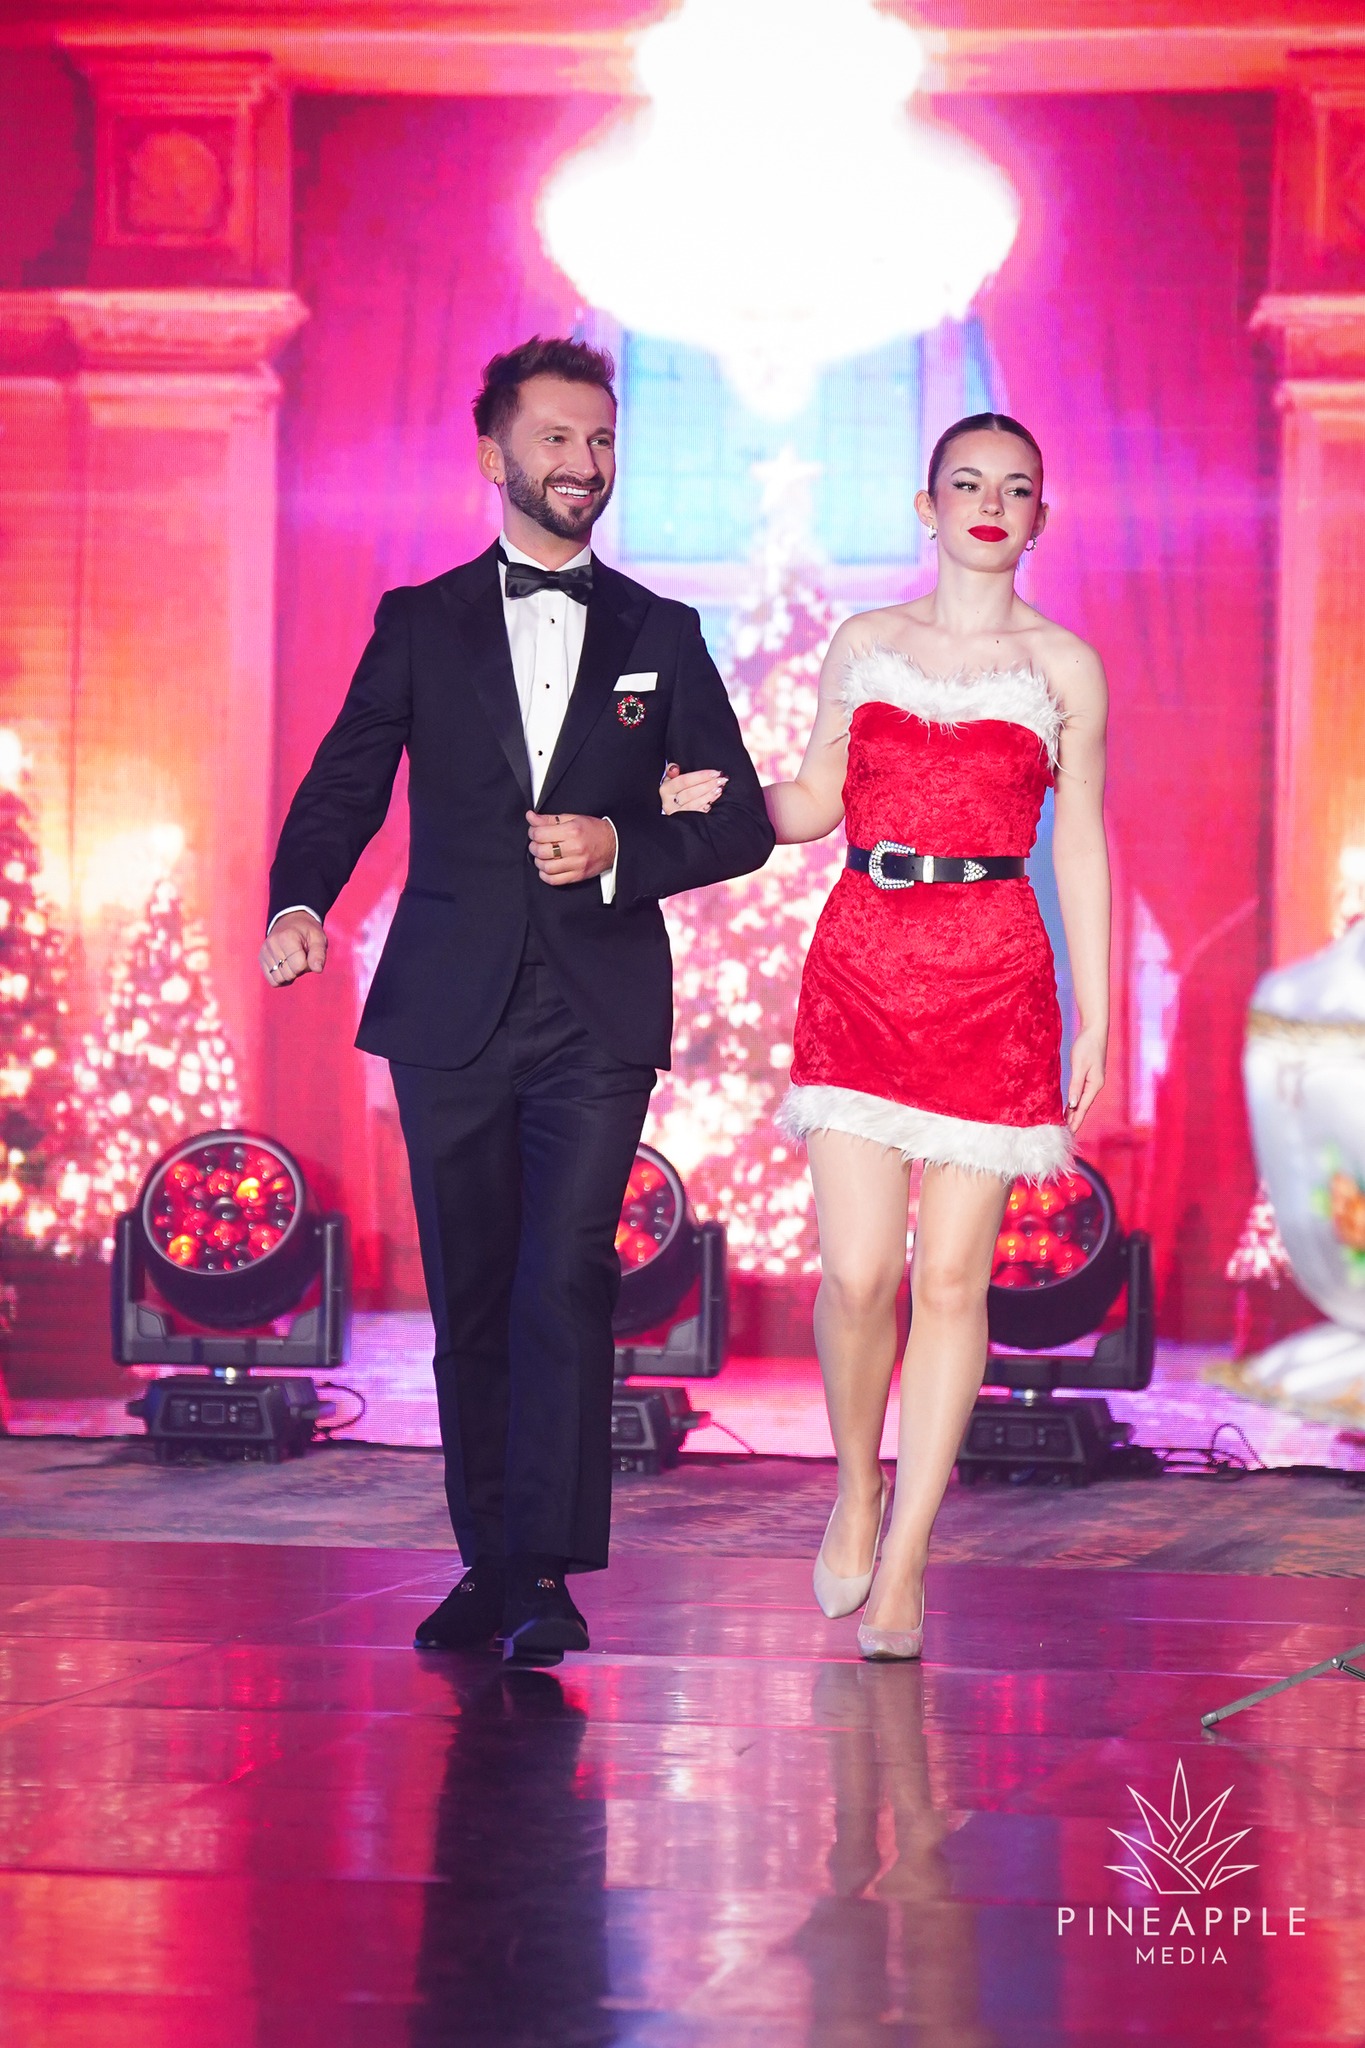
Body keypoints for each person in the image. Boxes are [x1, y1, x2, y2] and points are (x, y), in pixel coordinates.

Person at [261, 336, 774, 1664]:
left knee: (565, 1279)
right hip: (449, 1005)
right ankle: (489, 1563)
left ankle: (541, 1572)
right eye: (556, 438)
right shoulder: (420, 621)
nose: (583, 462)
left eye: (600, 441)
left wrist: (619, 847)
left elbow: (736, 817)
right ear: (495, 456)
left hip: (595, 1011)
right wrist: (300, 900)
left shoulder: (662, 633)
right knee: (474, 1295)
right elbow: (346, 780)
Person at [764, 412, 1110, 1659]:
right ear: (927, 505)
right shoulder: (867, 642)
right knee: (861, 1273)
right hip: (861, 960)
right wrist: (717, 800)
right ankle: (857, 1483)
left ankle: (908, 1552)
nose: (989, 503)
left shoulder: (1065, 666)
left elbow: (1082, 837)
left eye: (1015, 487)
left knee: (954, 1280)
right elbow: (814, 799)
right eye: (966, 482)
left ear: (1039, 517)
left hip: (997, 974)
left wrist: (1098, 1008)